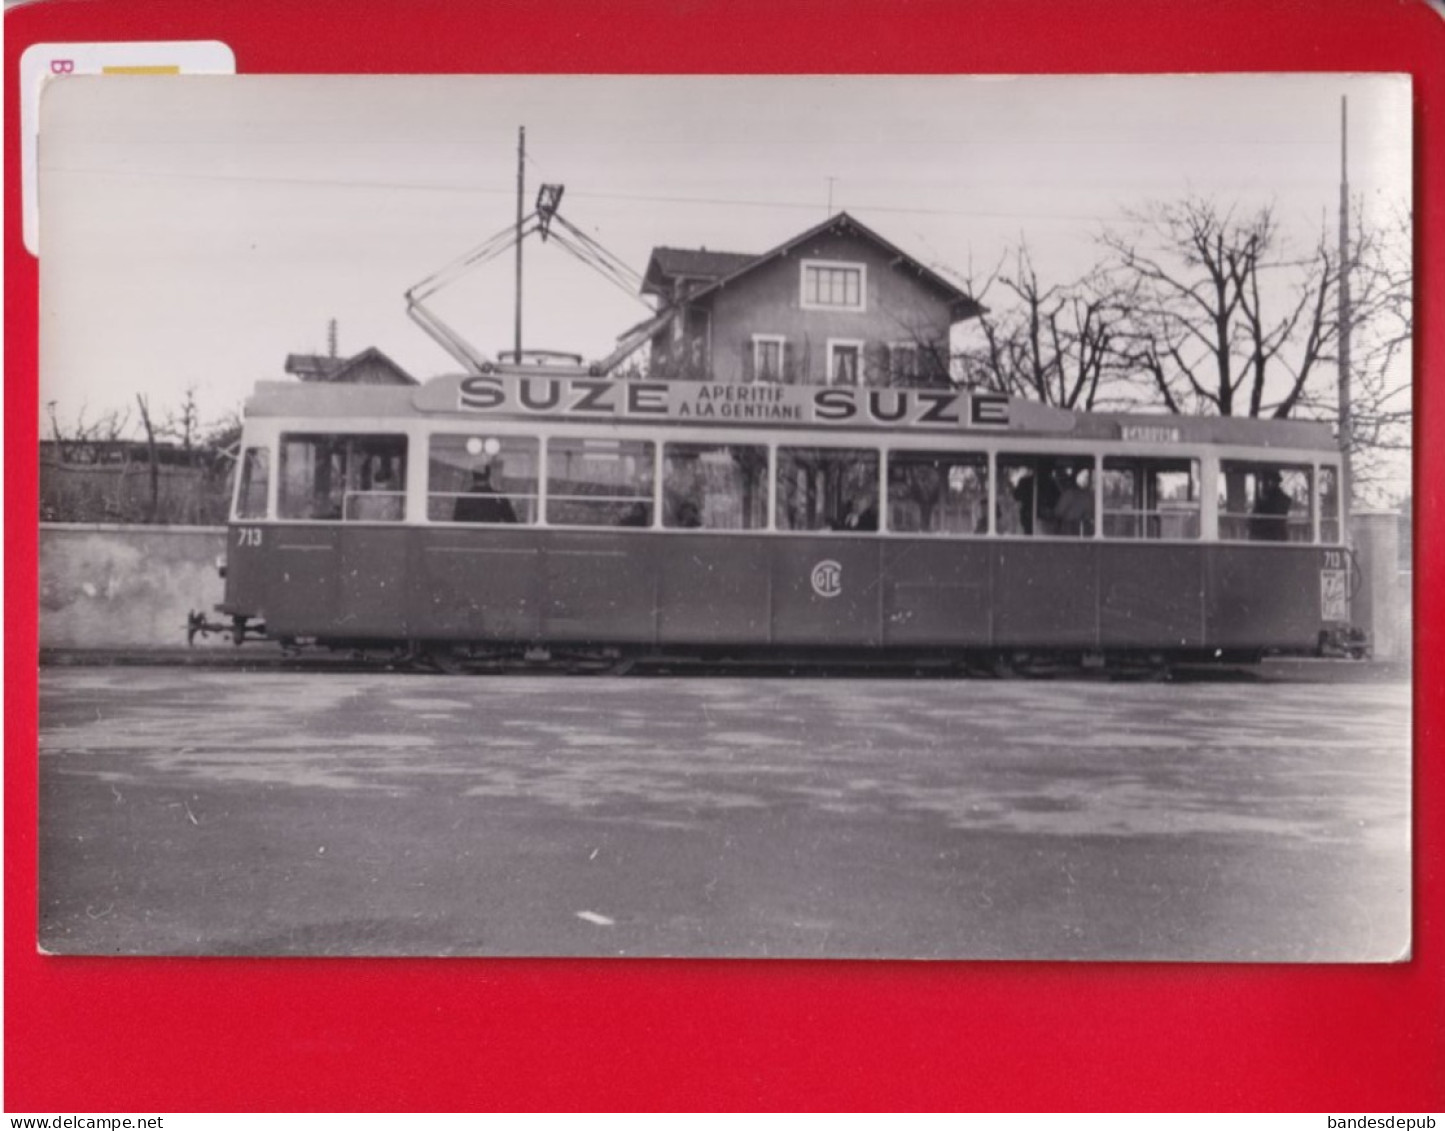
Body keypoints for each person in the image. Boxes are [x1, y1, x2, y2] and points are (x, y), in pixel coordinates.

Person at [452, 464, 517, 524]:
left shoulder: (463, 499)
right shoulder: (499, 498)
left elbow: (456, 523)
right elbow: (512, 522)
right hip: (493, 534)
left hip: (469, 535)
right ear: (489, 476)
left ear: (473, 476)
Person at [1053, 468, 1094, 537]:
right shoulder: (1089, 495)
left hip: (1069, 529)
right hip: (1085, 530)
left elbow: (1058, 512)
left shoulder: (1069, 494)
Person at [1252, 471, 1292, 541]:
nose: (1268, 484)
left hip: (1272, 534)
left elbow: (1274, 516)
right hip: (1277, 534)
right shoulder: (1266, 497)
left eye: (1270, 481)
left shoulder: (1275, 498)